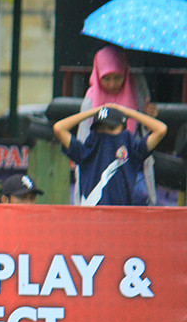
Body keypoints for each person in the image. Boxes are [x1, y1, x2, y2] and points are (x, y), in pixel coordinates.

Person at [77, 45, 158, 205]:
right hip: (103, 169)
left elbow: (153, 132)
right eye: (106, 78)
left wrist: (146, 116)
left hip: (133, 165)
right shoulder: (90, 101)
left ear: (125, 74)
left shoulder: (138, 91)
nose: (113, 84)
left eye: (117, 77)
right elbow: (82, 146)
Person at [53, 103, 166, 207]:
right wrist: (94, 111)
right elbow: (59, 128)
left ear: (123, 128)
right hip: (91, 218)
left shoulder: (132, 151)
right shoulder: (86, 152)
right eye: (100, 128)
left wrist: (128, 112)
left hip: (120, 217)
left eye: (111, 128)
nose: (105, 133)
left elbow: (161, 129)